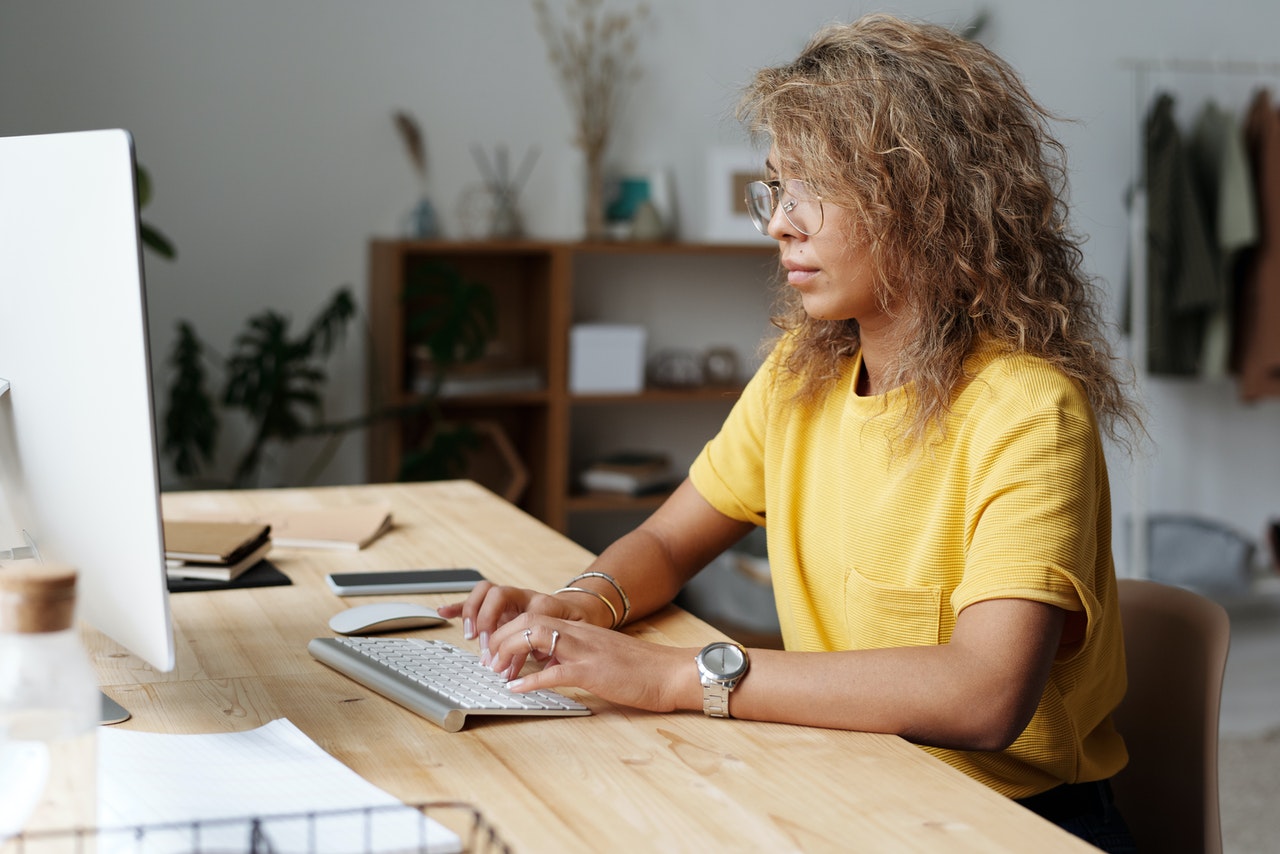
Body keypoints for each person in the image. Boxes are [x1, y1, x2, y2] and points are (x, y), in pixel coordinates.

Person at [439, 14, 1142, 851]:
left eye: (813, 191)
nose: (779, 223)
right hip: (850, 781)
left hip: (1010, 823)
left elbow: (983, 696)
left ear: (928, 200)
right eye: (776, 187)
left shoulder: (1029, 411)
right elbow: (666, 543)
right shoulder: (798, 376)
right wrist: (580, 603)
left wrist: (672, 676)